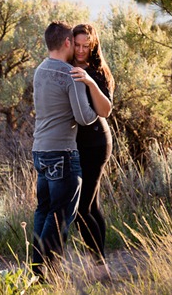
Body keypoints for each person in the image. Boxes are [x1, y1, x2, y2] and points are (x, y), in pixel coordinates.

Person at [31, 21, 99, 278]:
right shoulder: (70, 75)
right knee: (60, 215)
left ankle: (37, 269)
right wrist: (92, 94)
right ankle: (42, 272)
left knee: (43, 211)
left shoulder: (40, 70)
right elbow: (84, 117)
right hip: (62, 153)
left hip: (40, 152)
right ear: (68, 43)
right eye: (75, 43)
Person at [70, 23, 115, 272]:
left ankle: (100, 266)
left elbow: (105, 110)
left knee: (81, 209)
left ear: (93, 45)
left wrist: (89, 82)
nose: (80, 50)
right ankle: (102, 262)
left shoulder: (98, 71)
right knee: (93, 205)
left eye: (86, 46)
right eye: (77, 45)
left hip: (97, 143)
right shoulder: (66, 65)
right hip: (76, 145)